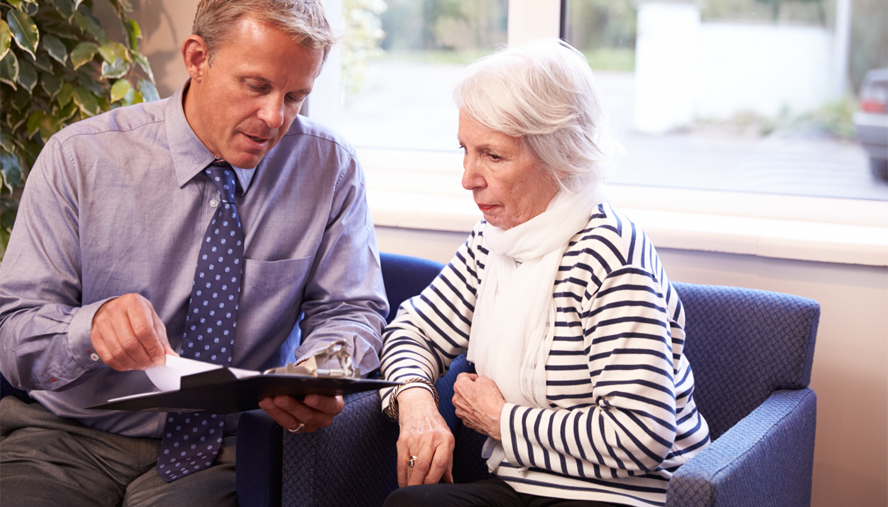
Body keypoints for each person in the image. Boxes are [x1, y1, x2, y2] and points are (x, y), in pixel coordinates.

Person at [0, 0, 387, 505]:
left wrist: (325, 372)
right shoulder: (79, 158)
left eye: (295, 96)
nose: (275, 117)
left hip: (225, 448)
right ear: (198, 58)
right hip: (66, 439)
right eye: (257, 86)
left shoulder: (328, 169)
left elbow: (351, 312)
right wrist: (87, 330)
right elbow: (13, 336)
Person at [379, 38, 711, 507]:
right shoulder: (494, 239)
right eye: (466, 150)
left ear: (560, 155)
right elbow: (412, 330)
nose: (468, 177)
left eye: (492, 156)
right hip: (521, 487)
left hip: (623, 497)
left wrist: (500, 420)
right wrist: (416, 405)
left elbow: (643, 435)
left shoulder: (609, 256)